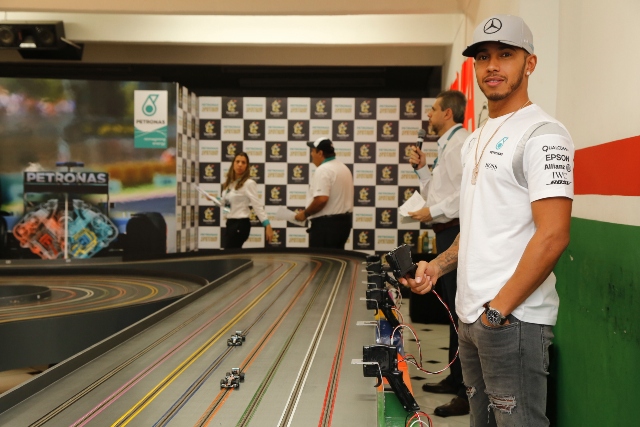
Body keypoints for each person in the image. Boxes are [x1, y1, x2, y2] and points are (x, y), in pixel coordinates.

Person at [401, 14, 574, 426]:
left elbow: (553, 235)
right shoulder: (476, 138)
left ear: (529, 63)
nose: (492, 66)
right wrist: (437, 266)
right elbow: (475, 229)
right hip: (471, 318)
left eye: (505, 55)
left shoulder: (545, 134)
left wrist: (497, 312)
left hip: (512, 321)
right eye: (483, 57)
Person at [408, 90, 470, 417]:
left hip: (456, 233)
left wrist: (432, 209)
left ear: (447, 113)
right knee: (450, 308)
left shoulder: (461, 145)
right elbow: (437, 189)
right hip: (443, 232)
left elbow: (464, 197)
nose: (428, 115)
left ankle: (466, 391)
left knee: (460, 310)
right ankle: (454, 377)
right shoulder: (445, 145)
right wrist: (421, 169)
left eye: (432, 109)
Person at [294, 137, 353, 249]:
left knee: (322, 264)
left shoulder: (323, 170)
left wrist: (305, 213)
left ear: (320, 153)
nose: (311, 154)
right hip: (343, 225)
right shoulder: (343, 168)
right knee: (336, 262)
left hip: (326, 227)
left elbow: (321, 199)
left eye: (312, 151)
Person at [221, 152, 272, 249]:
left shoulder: (249, 183)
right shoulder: (229, 183)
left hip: (240, 224)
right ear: (233, 164)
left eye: (243, 162)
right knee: (231, 256)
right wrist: (213, 198)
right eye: (237, 161)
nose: (240, 164)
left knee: (229, 254)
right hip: (230, 223)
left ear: (247, 166)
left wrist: (267, 225)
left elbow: (257, 206)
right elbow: (225, 202)